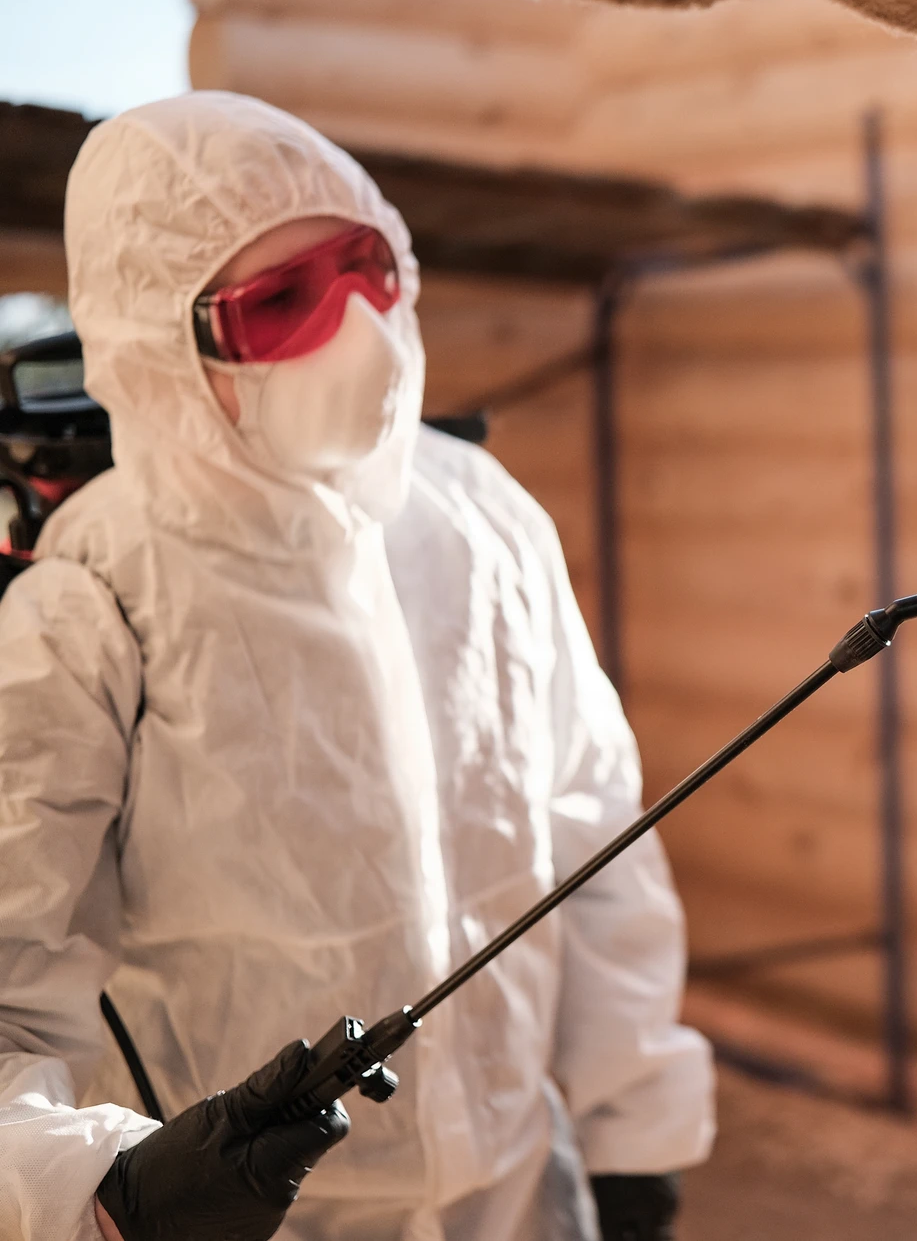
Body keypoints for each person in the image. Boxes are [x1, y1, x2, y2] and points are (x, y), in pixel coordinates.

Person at [0, 92, 713, 1240]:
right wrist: (94, 1188)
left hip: (517, 1194)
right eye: (279, 303)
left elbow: (597, 835)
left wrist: (639, 1131)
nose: (358, 330)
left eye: (366, 269)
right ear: (155, 344)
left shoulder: (483, 518)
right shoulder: (93, 604)